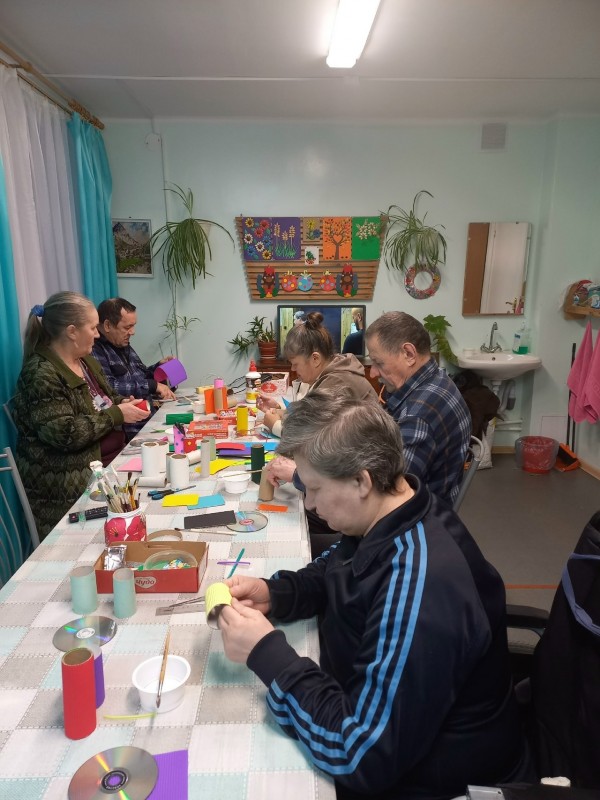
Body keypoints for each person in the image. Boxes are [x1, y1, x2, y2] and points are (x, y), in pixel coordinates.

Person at [218, 391, 532, 800]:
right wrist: (277, 593)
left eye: (314, 488)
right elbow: (337, 567)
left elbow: (361, 755)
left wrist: (267, 654)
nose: (308, 502)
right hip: (379, 716)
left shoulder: (421, 583)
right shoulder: (396, 508)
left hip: (430, 778)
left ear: (361, 480)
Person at [12, 292, 149, 539]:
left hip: (110, 469)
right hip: (69, 490)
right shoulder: (41, 375)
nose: (97, 334)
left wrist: (123, 403)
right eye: (93, 328)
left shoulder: (85, 362)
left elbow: (105, 399)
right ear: (72, 331)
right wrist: (117, 414)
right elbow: (66, 434)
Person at [366, 311, 471, 507]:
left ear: (409, 354)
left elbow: (387, 494)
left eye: (378, 363)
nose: (372, 373)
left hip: (417, 515)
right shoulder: (438, 378)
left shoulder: (418, 416)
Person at [92, 297, 176, 438]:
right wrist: (151, 385)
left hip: (148, 422)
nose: (132, 332)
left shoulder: (121, 343)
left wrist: (158, 368)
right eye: (127, 327)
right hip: (129, 432)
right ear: (107, 325)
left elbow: (140, 375)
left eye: (133, 326)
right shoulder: (95, 349)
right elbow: (107, 387)